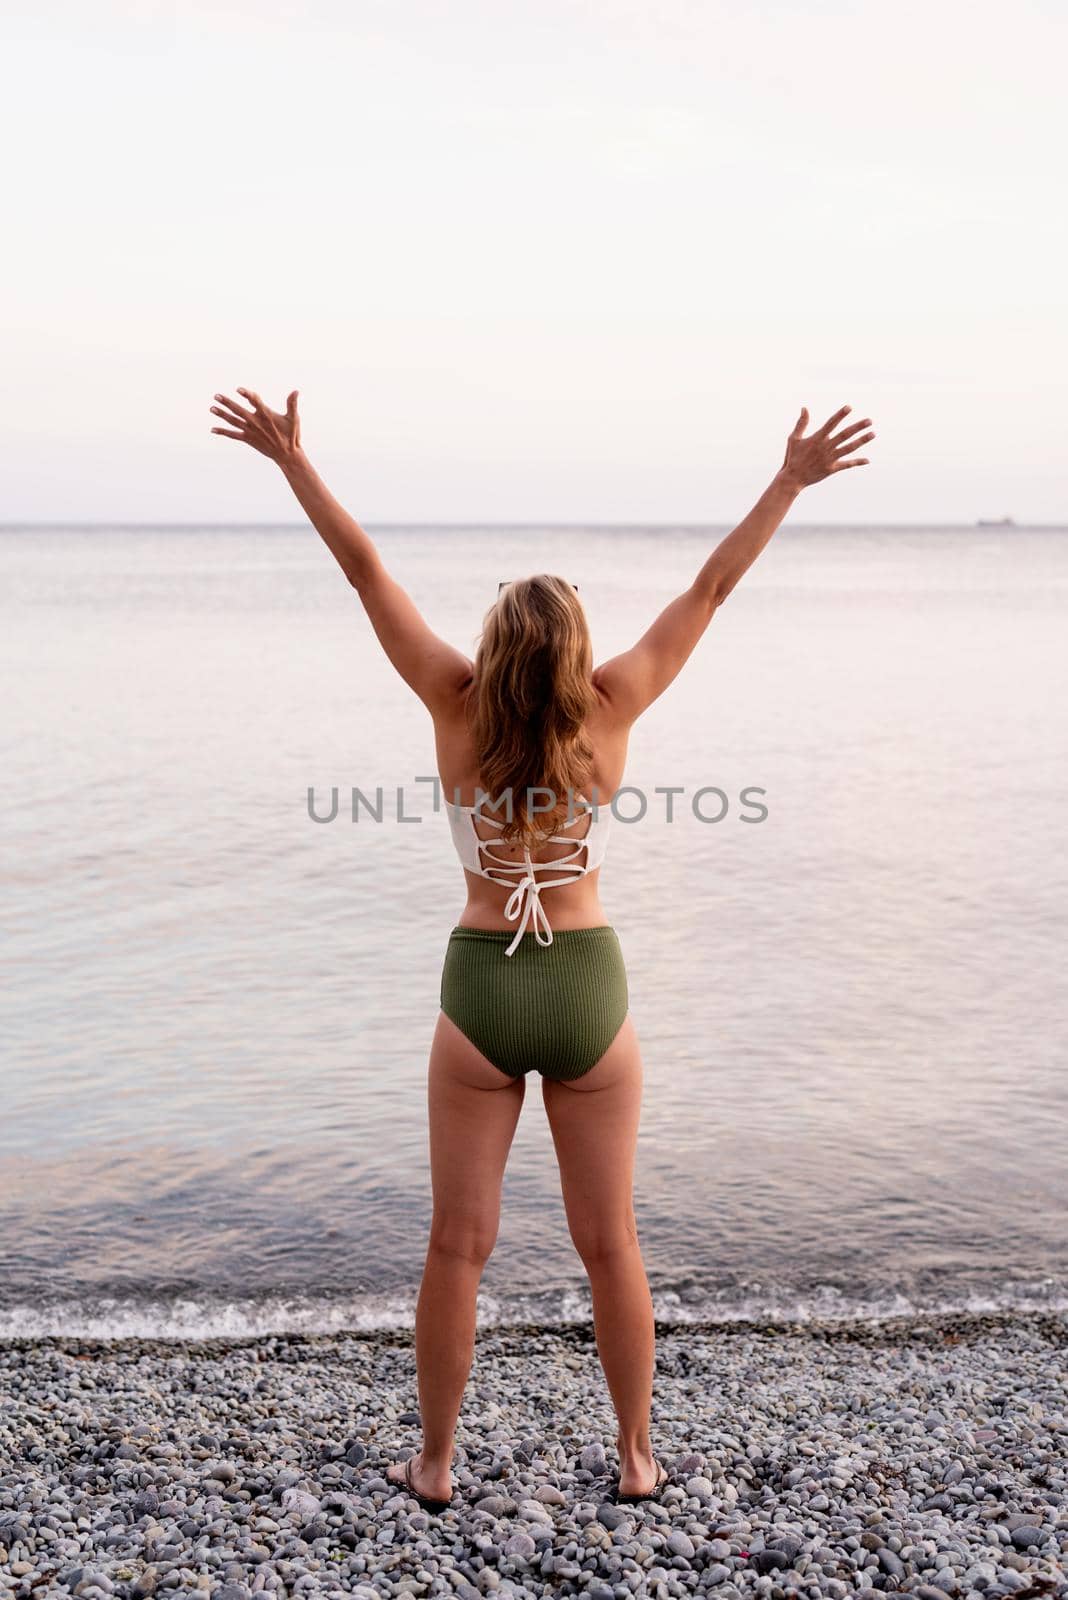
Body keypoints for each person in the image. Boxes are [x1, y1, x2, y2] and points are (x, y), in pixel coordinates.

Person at [209, 386, 874, 1510]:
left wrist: (292, 465)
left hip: (480, 983)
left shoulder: (454, 703)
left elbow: (367, 574)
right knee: (610, 1244)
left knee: (457, 1245)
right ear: (575, 648)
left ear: (494, 646)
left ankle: (434, 1464)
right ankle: (634, 1457)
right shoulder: (611, 709)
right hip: (585, 985)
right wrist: (790, 482)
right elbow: (709, 588)